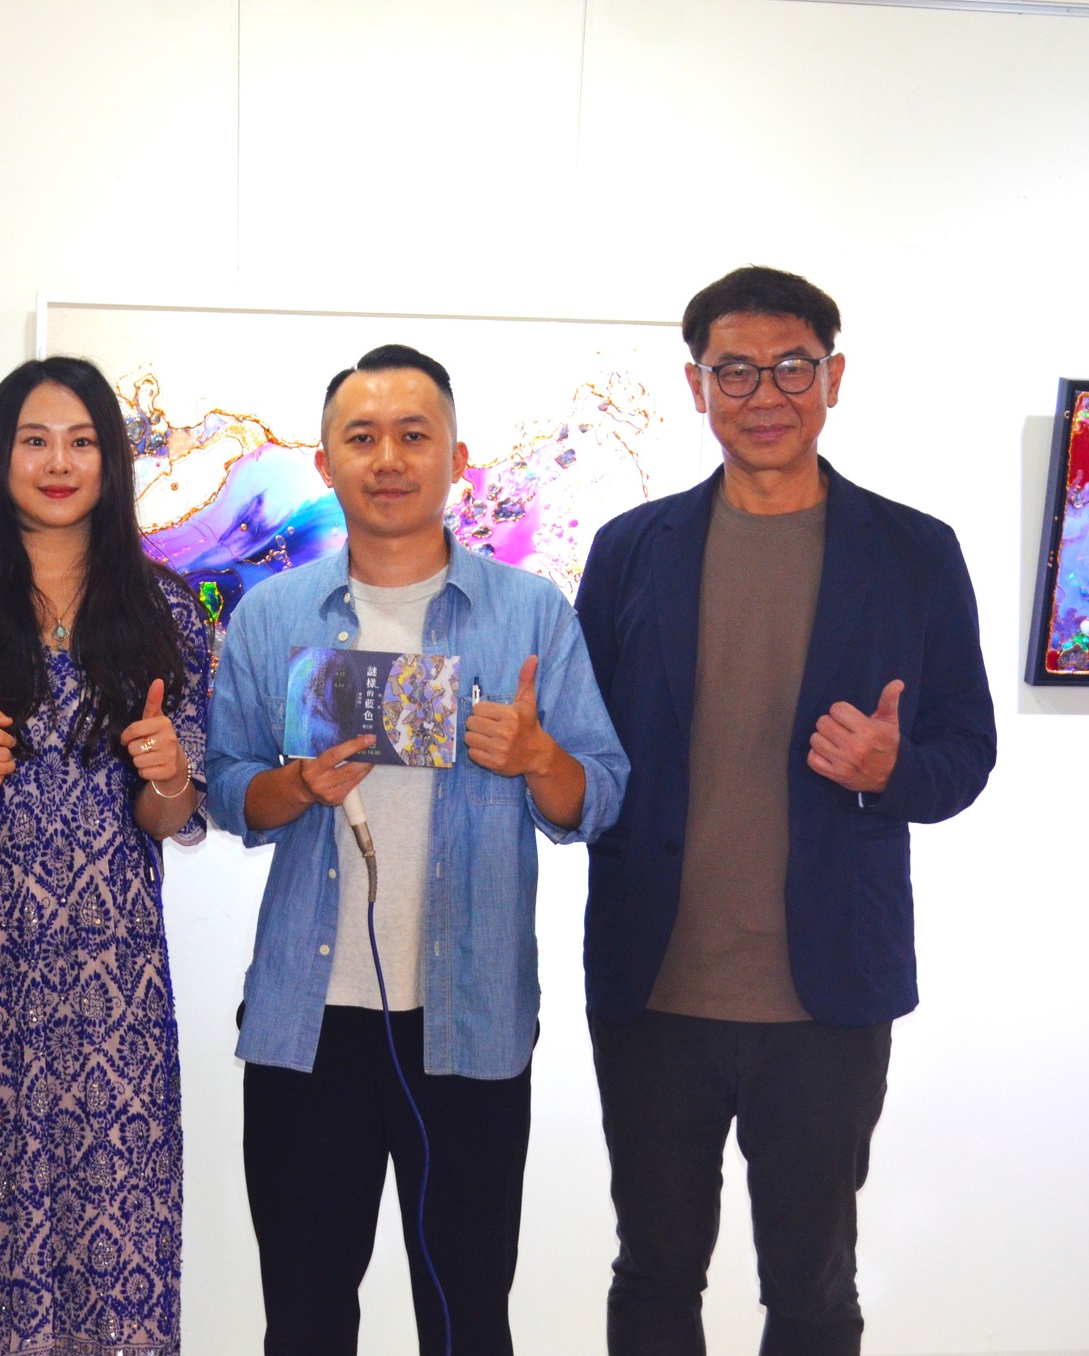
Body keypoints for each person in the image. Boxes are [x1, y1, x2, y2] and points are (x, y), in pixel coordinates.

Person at [575, 267, 998, 1355]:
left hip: (828, 995)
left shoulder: (913, 552)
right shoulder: (630, 550)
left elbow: (966, 752)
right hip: (654, 985)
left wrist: (890, 769)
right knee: (653, 1273)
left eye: (791, 368)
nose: (765, 394)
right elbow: (585, 755)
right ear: (696, 386)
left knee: (811, 1289)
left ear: (834, 377)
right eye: (735, 371)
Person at [207, 344, 629, 1356]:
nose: (388, 458)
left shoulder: (529, 612)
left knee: (467, 1320)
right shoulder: (271, 614)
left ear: (456, 459)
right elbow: (225, 787)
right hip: (307, 1023)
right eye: (361, 438)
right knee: (303, 1323)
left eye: (412, 435)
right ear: (325, 464)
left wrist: (538, 757)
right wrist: (294, 786)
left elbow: (600, 796)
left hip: (469, 1018)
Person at [0, 356, 209, 1355]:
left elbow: (170, 816)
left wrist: (167, 773)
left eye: (80, 442)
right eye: (35, 441)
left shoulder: (165, 614)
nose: (58, 463)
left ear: (110, 462)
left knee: (116, 1236)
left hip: (112, 985)